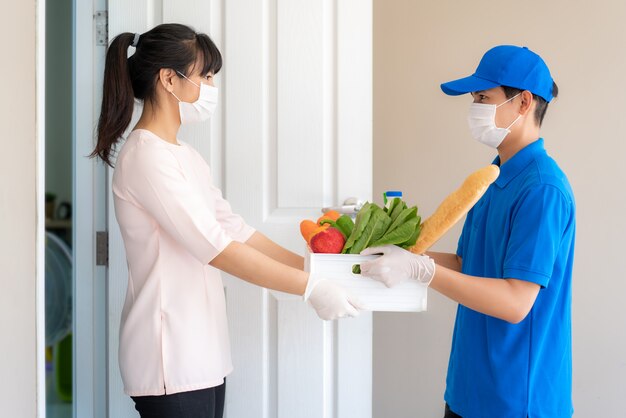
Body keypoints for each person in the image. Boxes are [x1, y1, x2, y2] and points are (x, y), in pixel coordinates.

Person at [91, 23, 361, 418]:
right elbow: (218, 249)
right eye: (206, 75)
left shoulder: (184, 156)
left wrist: (315, 269)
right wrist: (310, 288)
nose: (211, 87)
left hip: (203, 351)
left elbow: (235, 230)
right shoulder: (146, 157)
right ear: (169, 78)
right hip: (171, 355)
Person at [360, 45, 575, 418]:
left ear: (523, 102)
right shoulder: (493, 178)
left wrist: (420, 271)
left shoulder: (542, 189)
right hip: (468, 390)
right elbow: (467, 263)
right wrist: (406, 256)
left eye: (482, 97)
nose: (474, 107)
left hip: (514, 401)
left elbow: (515, 302)